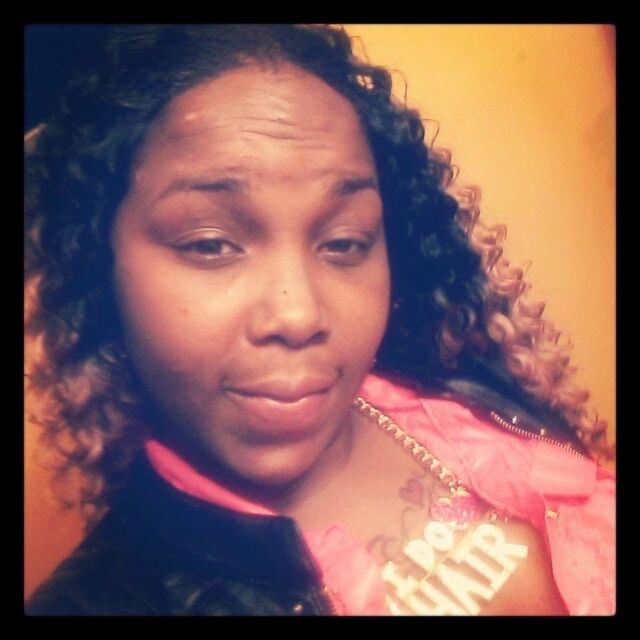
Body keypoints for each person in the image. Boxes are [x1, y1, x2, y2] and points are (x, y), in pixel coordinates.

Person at [24, 24, 614, 616]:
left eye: (344, 242)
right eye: (209, 244)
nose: (299, 313)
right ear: (97, 270)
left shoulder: (456, 389)